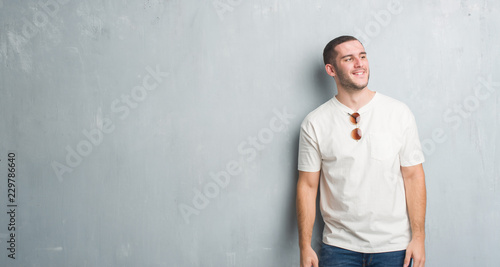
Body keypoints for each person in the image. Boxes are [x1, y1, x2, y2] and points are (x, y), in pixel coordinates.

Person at [296, 35, 427, 267]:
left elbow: (413, 176)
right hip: (338, 248)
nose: (360, 63)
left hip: (394, 247)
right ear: (331, 69)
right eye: (349, 59)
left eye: (363, 56)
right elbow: (307, 186)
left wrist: (419, 237)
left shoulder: (398, 113)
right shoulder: (315, 122)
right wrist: (305, 246)